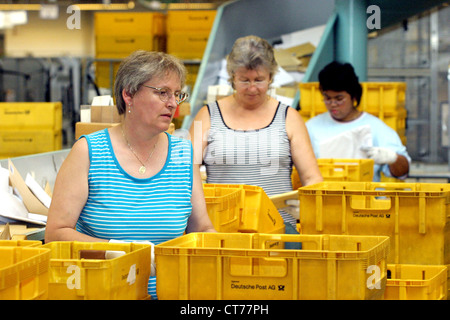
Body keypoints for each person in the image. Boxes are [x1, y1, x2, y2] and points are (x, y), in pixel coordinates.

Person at [45, 50, 216, 299]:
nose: (173, 103)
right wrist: (121, 251)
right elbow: (56, 234)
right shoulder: (89, 152)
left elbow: (201, 227)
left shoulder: (183, 154)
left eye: (177, 94)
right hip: (103, 292)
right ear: (129, 94)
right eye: (162, 92)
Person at [189, 35, 323, 231]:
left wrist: (308, 207)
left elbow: (312, 178)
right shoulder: (207, 116)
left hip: (278, 227)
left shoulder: (289, 118)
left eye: (259, 80)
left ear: (271, 77)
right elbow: (187, 171)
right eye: (244, 80)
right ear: (232, 77)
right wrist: (202, 223)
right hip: (222, 228)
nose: (252, 88)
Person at [306, 61, 410, 181]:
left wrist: (393, 158)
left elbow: (403, 171)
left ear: (354, 96)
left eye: (339, 99)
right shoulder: (311, 127)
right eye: (327, 98)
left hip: (365, 197)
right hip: (323, 197)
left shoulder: (376, 127)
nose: (333, 104)